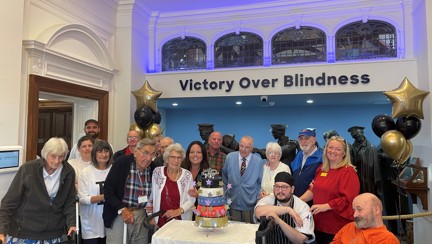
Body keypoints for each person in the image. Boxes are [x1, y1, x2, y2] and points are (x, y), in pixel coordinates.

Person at [0, 137, 76, 244]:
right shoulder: (28, 169)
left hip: (53, 233)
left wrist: (71, 223)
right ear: (45, 154)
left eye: (61, 157)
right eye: (53, 156)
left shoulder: (68, 172)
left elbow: (70, 201)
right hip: (24, 231)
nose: (57, 161)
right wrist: (1, 230)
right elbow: (9, 202)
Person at [300, 136, 360, 244]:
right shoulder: (322, 169)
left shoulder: (348, 172)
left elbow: (348, 199)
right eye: (330, 147)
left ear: (344, 153)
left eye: (338, 149)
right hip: (319, 225)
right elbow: (314, 190)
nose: (333, 151)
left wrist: (326, 206)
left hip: (337, 227)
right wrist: (297, 201)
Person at [103, 138, 156, 244]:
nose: (149, 158)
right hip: (119, 213)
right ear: (136, 152)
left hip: (141, 215)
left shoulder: (153, 168)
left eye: (152, 154)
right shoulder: (122, 162)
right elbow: (108, 192)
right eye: (145, 153)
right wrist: (122, 209)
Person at [255, 172, 315, 243]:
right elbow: (258, 212)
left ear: (292, 189)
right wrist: (288, 210)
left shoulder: (302, 207)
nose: (280, 191)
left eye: (284, 187)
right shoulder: (269, 199)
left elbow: (300, 240)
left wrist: (279, 221)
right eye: (277, 187)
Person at [151, 143, 196, 227]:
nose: (176, 161)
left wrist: (179, 210)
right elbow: (152, 196)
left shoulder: (187, 175)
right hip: (160, 221)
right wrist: (150, 215)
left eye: (179, 158)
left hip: (180, 221)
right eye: (173, 157)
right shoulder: (157, 172)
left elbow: (192, 199)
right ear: (167, 159)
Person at [78, 140, 113, 244]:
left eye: (106, 151)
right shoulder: (85, 173)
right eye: (100, 151)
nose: (103, 154)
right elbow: (82, 199)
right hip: (91, 223)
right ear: (94, 154)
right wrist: (103, 197)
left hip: (111, 222)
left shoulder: (114, 170)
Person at [222, 135, 263, 223]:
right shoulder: (229, 157)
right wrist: (225, 195)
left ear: (252, 148)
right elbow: (224, 178)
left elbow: (260, 183)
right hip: (232, 204)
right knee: (233, 232)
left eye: (247, 147)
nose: (243, 149)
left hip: (250, 206)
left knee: (249, 233)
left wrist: (255, 197)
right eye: (241, 146)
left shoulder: (258, 161)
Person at [332, 193, 400, 244]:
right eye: (354, 210)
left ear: (377, 210)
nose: (355, 215)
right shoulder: (349, 227)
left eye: (359, 209)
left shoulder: (388, 240)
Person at [290, 128, 323, 202]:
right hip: (297, 200)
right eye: (301, 139)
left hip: (313, 203)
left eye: (306, 138)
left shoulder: (322, 158)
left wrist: (297, 202)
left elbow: (319, 186)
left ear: (314, 140)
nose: (303, 142)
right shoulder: (299, 155)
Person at [348, 126, 381, 196]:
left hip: (369, 181)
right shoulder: (352, 148)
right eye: (354, 136)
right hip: (357, 180)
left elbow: (375, 168)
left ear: (362, 133)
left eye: (358, 134)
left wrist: (377, 184)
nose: (357, 136)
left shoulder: (371, 148)